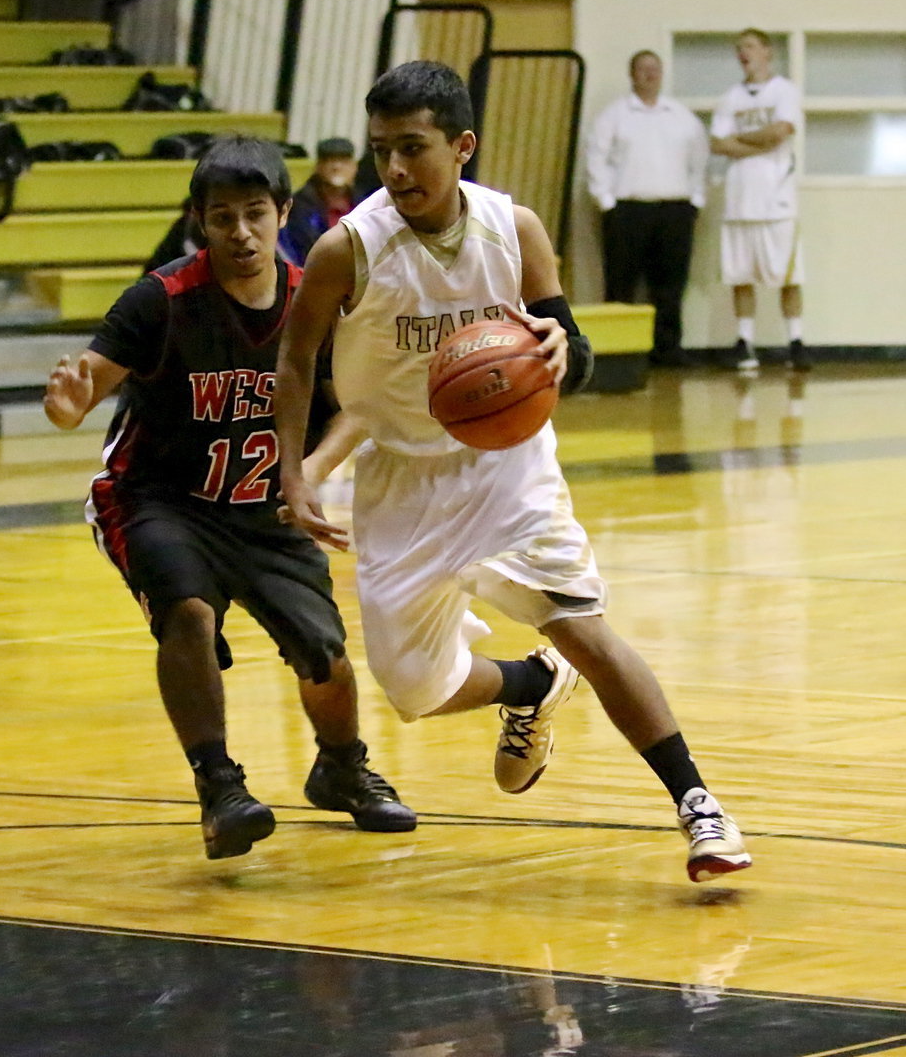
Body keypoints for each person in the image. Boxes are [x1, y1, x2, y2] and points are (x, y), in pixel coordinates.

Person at [275, 60, 752, 883]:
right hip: (402, 479)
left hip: (507, 468)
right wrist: (294, 471)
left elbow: (573, 352)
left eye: (413, 148)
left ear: (463, 146)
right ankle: (530, 686)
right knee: (415, 690)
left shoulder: (514, 229)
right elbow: (294, 360)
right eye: (382, 150)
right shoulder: (346, 248)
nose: (395, 168)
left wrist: (564, 350)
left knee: (583, 626)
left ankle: (699, 806)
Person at [43, 134, 416, 861]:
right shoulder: (160, 300)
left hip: (265, 507)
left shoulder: (316, 298)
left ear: (284, 213)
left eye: (255, 214)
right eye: (222, 218)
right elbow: (84, 387)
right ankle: (220, 788)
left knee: (324, 654)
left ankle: (341, 769)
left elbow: (356, 408)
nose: (240, 232)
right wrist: (65, 406)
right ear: (200, 222)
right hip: (158, 499)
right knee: (187, 612)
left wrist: (307, 476)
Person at [586, 50, 709, 368]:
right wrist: (606, 202)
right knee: (621, 283)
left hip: (675, 211)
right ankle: (621, 354)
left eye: (655, 69)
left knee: (671, 286)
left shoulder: (682, 117)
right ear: (632, 74)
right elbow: (596, 158)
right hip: (627, 211)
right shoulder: (614, 116)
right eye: (643, 69)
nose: (650, 74)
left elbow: (699, 161)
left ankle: (667, 350)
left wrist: (695, 200)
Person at [710, 28, 811, 373]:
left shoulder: (784, 91)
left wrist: (739, 140)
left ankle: (795, 341)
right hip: (740, 201)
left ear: (767, 51)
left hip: (777, 201)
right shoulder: (730, 98)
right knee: (741, 275)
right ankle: (744, 342)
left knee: (789, 275)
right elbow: (718, 144)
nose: (744, 52)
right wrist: (759, 142)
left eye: (750, 46)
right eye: (739, 48)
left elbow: (779, 132)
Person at [280, 136, 362, 267]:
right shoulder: (300, 204)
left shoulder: (364, 203)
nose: (337, 167)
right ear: (318, 167)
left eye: (344, 161)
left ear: (354, 167)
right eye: (330, 161)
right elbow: (304, 247)